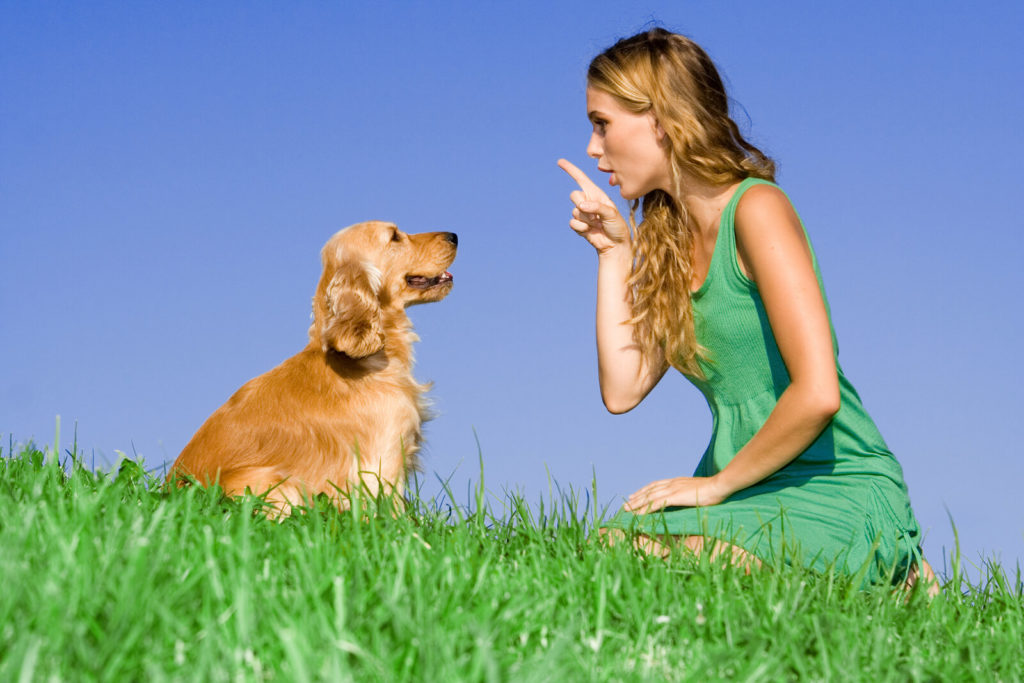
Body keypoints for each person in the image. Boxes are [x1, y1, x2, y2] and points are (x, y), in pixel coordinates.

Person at [558, 27, 937, 593]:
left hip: (835, 481)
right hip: (745, 490)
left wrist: (715, 485)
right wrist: (614, 253)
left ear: (661, 119)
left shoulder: (757, 210)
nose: (593, 147)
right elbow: (623, 389)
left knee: (688, 565)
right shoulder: (668, 241)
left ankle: (894, 566)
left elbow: (818, 392)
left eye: (603, 123)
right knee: (611, 547)